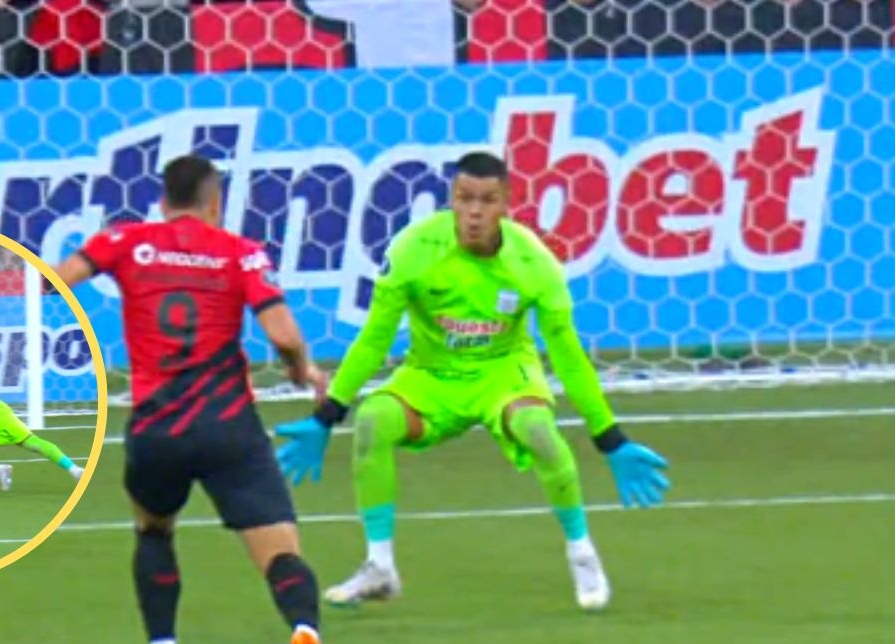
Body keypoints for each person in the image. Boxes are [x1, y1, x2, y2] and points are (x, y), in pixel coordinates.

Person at [275, 152, 671, 611]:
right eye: (465, 199)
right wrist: (327, 415)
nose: (475, 212)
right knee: (372, 421)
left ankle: (581, 552)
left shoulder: (533, 262)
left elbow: (568, 355)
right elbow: (374, 338)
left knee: (539, 431)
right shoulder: (413, 249)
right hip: (431, 375)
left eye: (487, 200)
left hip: (503, 372)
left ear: (506, 203)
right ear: (452, 199)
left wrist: (610, 437)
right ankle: (379, 566)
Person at [54, 154, 344, 644]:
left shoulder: (126, 241)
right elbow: (283, 332)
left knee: (153, 531)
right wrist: (301, 370)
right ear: (215, 203)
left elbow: (58, 278)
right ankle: (305, 635)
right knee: (281, 554)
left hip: (157, 427)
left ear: (163, 202)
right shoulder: (238, 251)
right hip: (229, 425)